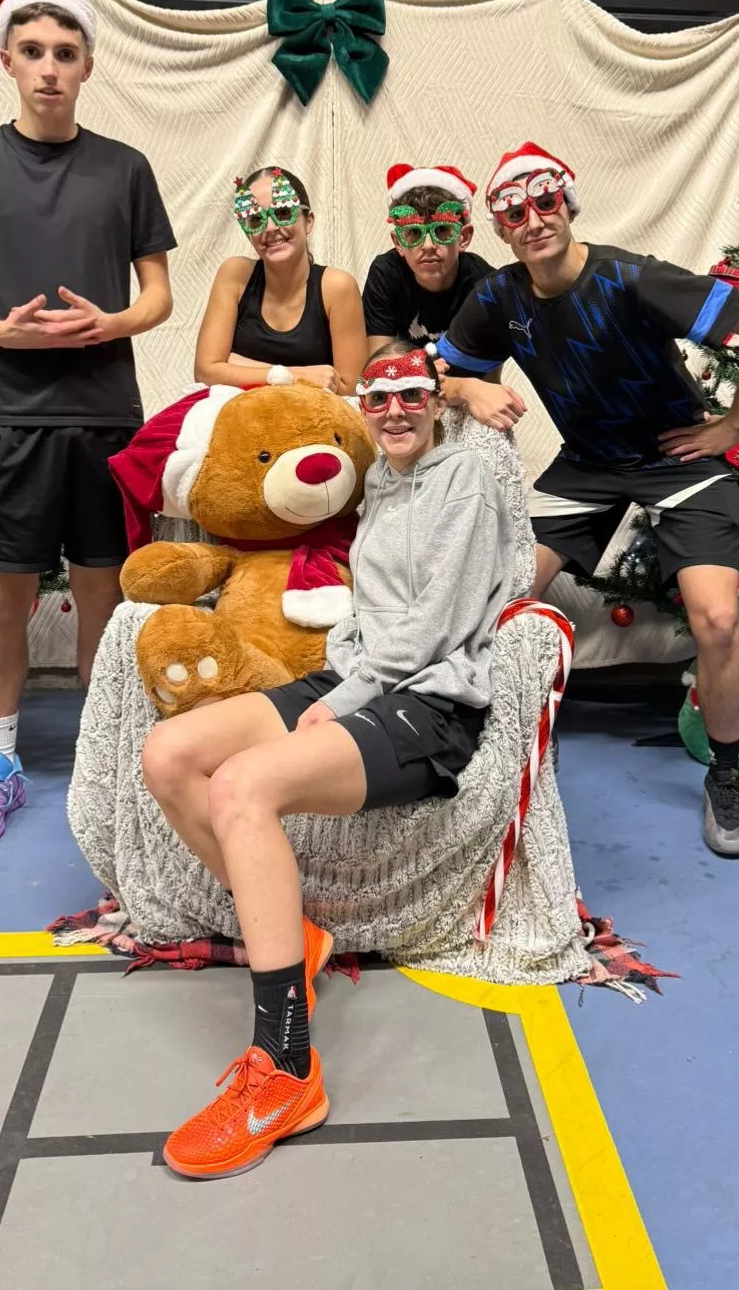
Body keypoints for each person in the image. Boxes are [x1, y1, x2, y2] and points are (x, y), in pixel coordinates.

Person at [140, 341, 514, 1179]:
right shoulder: (380, 481)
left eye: (412, 394)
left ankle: (286, 1071)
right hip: (358, 679)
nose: (395, 411)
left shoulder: (465, 478)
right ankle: (298, 936)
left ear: (437, 399)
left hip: (429, 703)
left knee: (242, 787)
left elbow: (434, 627)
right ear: (363, 409)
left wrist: (343, 701)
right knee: (169, 754)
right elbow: (368, 611)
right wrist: (341, 678)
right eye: (378, 398)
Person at [436, 141, 739, 859]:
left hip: (674, 461)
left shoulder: (631, 278)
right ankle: (480, 755)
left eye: (545, 202)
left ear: (566, 204)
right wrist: (466, 386)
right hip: (588, 467)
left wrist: (732, 425)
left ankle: (725, 777)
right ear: (500, 229)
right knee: (495, 601)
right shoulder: (499, 298)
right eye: (515, 212)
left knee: (718, 619)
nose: (534, 220)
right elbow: (430, 372)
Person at [0, 0, 176, 851]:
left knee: (105, 592)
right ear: (7, 60)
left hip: (106, 414)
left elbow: (157, 297)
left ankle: (105, 759)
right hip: (6, 412)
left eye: (66, 52)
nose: (50, 67)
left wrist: (112, 323)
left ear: (88, 64)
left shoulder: (125, 167)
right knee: (3, 596)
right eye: (33, 51)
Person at [364, 161, 525, 432]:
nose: (428, 246)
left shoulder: (486, 286)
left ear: (464, 237)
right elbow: (379, 372)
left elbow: (487, 386)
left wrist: (462, 390)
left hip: (463, 407)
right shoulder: (386, 274)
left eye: (441, 231)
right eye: (414, 233)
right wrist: (460, 386)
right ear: (398, 242)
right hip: (403, 402)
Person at [194, 167, 365, 393]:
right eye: (256, 219)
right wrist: (295, 375)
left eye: (283, 212)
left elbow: (350, 389)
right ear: (247, 232)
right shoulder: (235, 275)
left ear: (309, 221)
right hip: (237, 411)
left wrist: (237, 365)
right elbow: (205, 372)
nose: (271, 228)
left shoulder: (336, 287)